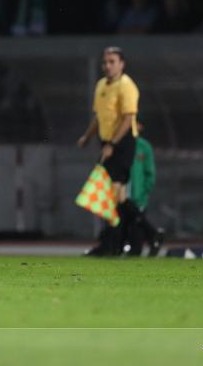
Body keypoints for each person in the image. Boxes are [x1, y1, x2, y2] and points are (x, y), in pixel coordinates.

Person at [76, 46, 141, 256]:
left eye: (112, 62)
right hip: (107, 142)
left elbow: (128, 119)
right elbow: (98, 117)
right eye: (105, 62)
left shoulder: (127, 86)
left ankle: (111, 244)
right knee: (117, 197)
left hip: (122, 143)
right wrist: (87, 136)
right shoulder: (101, 85)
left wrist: (112, 145)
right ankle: (136, 239)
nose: (107, 66)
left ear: (122, 64)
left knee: (109, 194)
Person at [125, 122, 165, 256]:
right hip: (122, 191)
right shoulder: (120, 144)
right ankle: (153, 237)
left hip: (138, 193)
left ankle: (147, 241)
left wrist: (144, 190)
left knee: (136, 220)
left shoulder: (144, 146)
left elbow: (150, 172)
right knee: (130, 220)